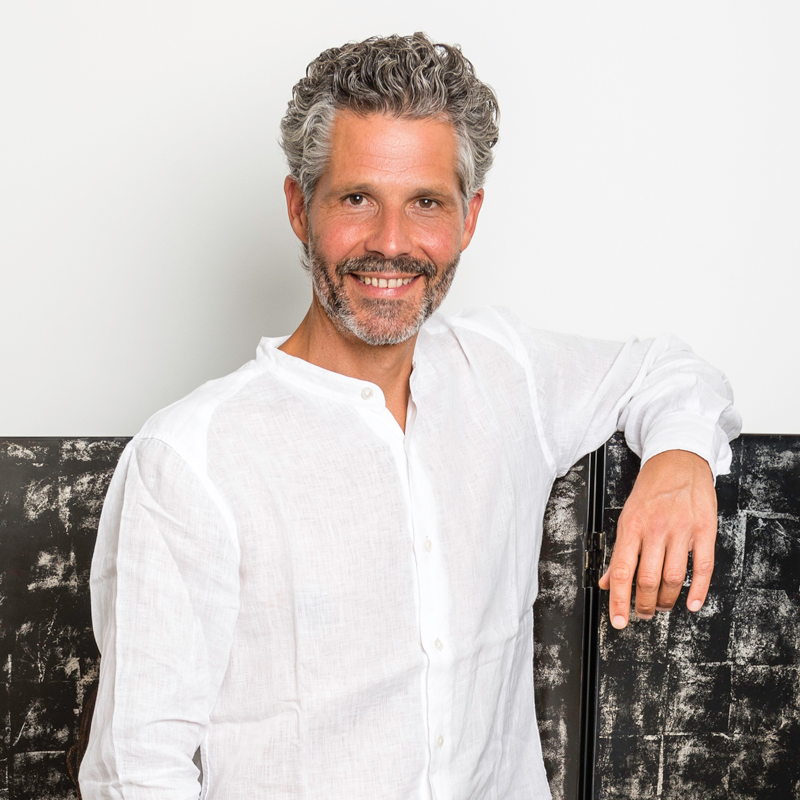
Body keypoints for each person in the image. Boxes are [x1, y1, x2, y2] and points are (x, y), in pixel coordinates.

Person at [79, 32, 741, 800]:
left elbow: (670, 371)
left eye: (425, 202)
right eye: (357, 198)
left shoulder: (507, 373)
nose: (390, 244)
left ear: (469, 216)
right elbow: (135, 772)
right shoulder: (189, 459)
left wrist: (678, 462)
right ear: (299, 208)